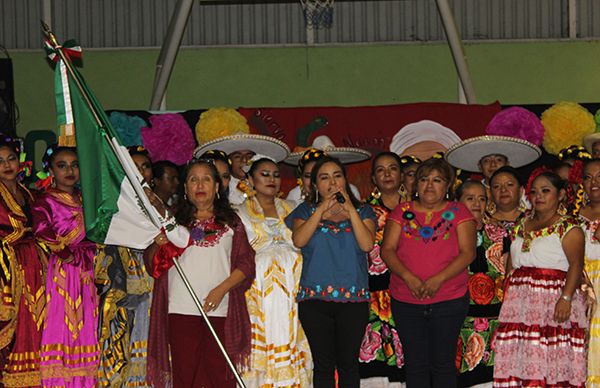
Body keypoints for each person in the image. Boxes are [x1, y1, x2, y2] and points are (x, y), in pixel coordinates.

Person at [146, 159, 256, 388]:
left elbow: (246, 264)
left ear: (217, 187)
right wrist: (159, 243)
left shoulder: (231, 222)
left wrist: (221, 290)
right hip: (180, 309)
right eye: (193, 179)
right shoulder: (173, 221)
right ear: (185, 188)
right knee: (186, 377)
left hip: (221, 309)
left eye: (206, 178)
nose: (200, 184)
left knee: (221, 377)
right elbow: (153, 265)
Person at [380, 157, 477, 388]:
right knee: (415, 365)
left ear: (447, 186)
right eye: (424, 179)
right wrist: (409, 277)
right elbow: (388, 250)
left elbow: (468, 253)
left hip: (449, 300)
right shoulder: (401, 212)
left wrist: (438, 279)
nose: (429, 185)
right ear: (415, 184)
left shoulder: (459, 211)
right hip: (406, 299)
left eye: (437, 180)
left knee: (443, 365)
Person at [285, 156, 376, 388]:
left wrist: (350, 210)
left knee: (348, 365)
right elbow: (299, 239)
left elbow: (367, 244)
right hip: (314, 301)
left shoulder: (364, 210)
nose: (332, 182)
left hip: (353, 301)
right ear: (315, 185)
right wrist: (321, 209)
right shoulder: (304, 210)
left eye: (337, 175)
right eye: (324, 177)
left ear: (345, 180)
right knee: (323, 366)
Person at [493, 171, 588, 387]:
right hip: (521, 303)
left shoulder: (569, 227)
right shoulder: (521, 225)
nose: (539, 196)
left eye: (546, 191)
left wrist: (565, 298)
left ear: (561, 194)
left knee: (550, 358)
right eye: (534, 192)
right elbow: (513, 263)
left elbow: (576, 265)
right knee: (522, 357)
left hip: (553, 300)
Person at [236, 156, 312, 387]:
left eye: (276, 175)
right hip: (260, 289)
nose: (272, 179)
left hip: (296, 284)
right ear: (249, 179)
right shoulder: (238, 212)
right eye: (264, 174)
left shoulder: (294, 208)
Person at [31, 145, 99, 387]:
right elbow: (41, 230)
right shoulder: (45, 200)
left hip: (87, 269)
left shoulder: (87, 199)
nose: (70, 170)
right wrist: (65, 252)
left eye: (75, 165)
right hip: (63, 268)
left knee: (86, 324)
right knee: (62, 321)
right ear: (50, 170)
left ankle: (83, 381)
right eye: (62, 165)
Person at [0, 134, 47, 387]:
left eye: (11, 158)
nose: (7, 165)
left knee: (37, 320)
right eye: (0, 161)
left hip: (35, 266)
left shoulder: (30, 194)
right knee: (17, 327)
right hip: (9, 270)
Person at [455, 180, 508, 387]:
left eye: (482, 198)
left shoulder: (499, 233)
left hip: (496, 319)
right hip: (461, 320)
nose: (477, 203)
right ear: (457, 202)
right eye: (470, 198)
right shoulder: (446, 233)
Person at [359, 152, 405, 384]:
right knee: (376, 367)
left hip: (411, 293)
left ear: (402, 175)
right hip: (374, 296)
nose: (387, 174)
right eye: (381, 170)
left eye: (392, 168)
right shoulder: (365, 211)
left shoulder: (416, 209)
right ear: (374, 178)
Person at [193, 134, 290, 206]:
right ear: (229, 161)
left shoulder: (265, 184)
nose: (244, 160)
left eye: (249, 156)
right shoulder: (223, 185)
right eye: (237, 156)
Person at [576, 159, 600, 387]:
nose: (594, 182)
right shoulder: (572, 217)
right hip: (580, 288)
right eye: (588, 177)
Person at [285, 142, 366, 207]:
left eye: (322, 176)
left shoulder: (350, 190)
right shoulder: (294, 196)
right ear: (301, 178)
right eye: (308, 176)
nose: (314, 181)